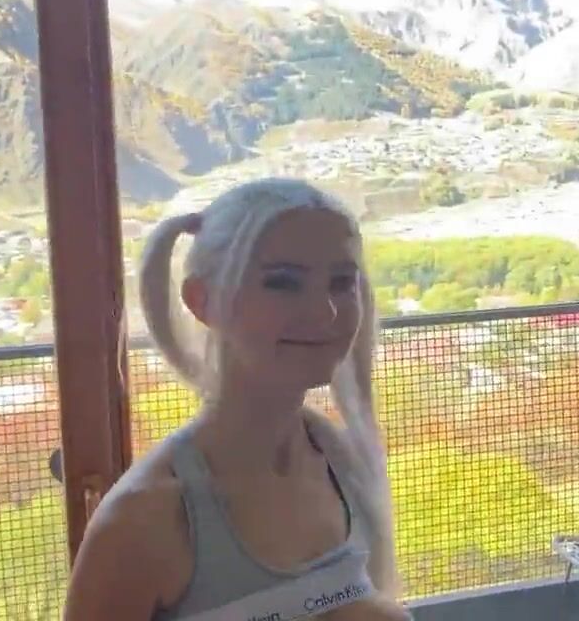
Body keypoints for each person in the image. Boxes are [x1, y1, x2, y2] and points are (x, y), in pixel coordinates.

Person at [64, 178, 409, 620]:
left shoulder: (344, 467)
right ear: (201, 301)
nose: (325, 311)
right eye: (283, 283)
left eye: (342, 282)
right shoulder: (146, 517)